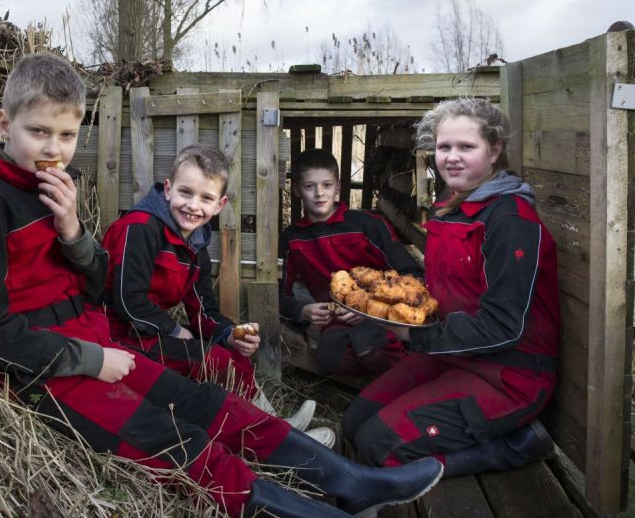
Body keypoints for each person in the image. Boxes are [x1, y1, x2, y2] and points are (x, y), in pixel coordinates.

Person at [0, 53, 444, 516]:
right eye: (39, 132)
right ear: (5, 124)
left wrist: (73, 234)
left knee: (209, 403)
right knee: (181, 443)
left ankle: (350, 480)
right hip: (51, 372)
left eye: (67, 135)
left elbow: (92, 286)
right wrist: (91, 359)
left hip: (101, 346)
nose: (54, 150)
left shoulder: (52, 194)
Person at [341, 98, 559, 477]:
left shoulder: (510, 220)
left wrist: (415, 335)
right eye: (444, 147)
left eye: (466, 147)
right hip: (454, 355)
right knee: (353, 422)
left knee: (379, 444)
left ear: (495, 150)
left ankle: (512, 447)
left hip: (509, 374)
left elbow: (505, 326)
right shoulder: (453, 206)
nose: (452, 158)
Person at [102, 145, 328, 441]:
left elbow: (203, 311)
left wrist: (230, 333)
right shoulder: (140, 227)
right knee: (214, 361)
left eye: (206, 198)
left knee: (231, 352)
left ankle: (273, 423)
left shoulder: (195, 245)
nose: (194, 206)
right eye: (186, 193)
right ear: (168, 189)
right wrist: (175, 331)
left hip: (149, 331)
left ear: (219, 205)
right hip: (114, 334)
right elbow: (128, 300)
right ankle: (277, 435)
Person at [280, 148, 423, 377]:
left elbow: (413, 274)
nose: (319, 193)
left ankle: (414, 380)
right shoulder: (293, 239)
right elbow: (279, 293)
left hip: (383, 316)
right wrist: (302, 311)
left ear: (337, 187)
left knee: (367, 342)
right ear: (296, 189)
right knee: (329, 359)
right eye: (309, 186)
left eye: (326, 185)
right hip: (336, 321)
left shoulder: (367, 225)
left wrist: (368, 305)